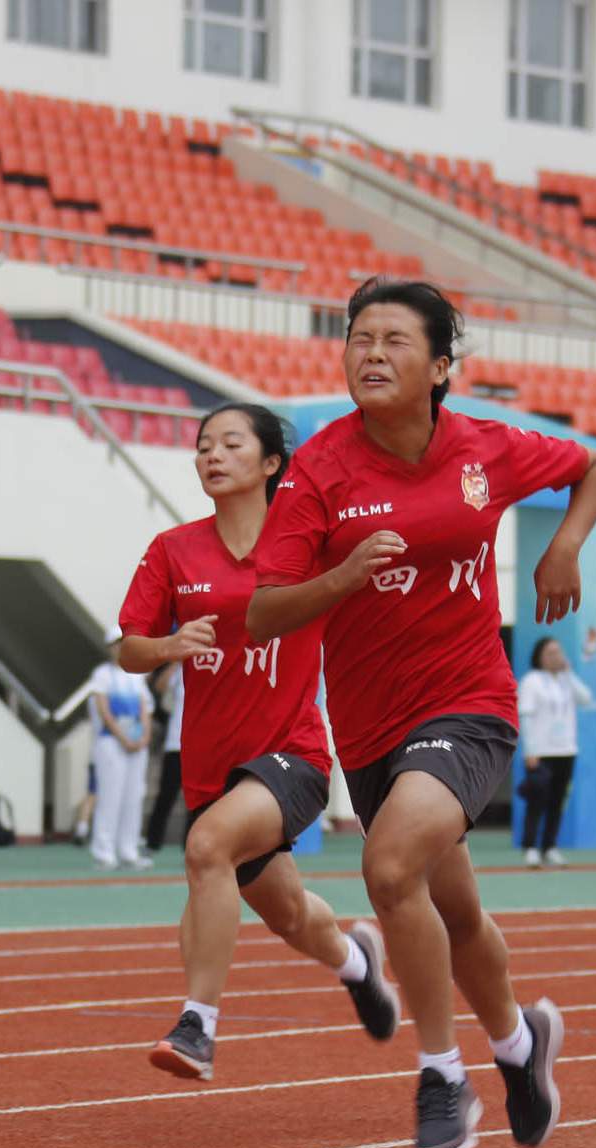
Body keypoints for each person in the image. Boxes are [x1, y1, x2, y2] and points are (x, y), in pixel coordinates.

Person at [249, 276, 596, 1148]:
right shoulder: (320, 471)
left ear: (441, 366)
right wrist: (341, 580)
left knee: (386, 865)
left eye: (393, 341)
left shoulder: (484, 450)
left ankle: (443, 1073)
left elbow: (594, 466)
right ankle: (522, 1046)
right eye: (358, 339)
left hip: (469, 703)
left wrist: (563, 545)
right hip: (371, 727)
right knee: (454, 913)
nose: (370, 354)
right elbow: (264, 610)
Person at [118, 402, 398, 1083]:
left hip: (292, 753)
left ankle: (197, 1026)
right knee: (293, 916)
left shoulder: (310, 547)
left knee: (206, 848)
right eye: (203, 445)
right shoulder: (173, 550)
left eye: (230, 444)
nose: (211, 455)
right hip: (214, 768)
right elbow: (128, 648)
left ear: (272, 463)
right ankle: (357, 961)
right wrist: (168, 645)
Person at [516, 635, 596, 868]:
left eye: (558, 652)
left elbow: (586, 698)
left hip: (566, 750)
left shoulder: (566, 680)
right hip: (541, 752)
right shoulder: (532, 681)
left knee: (557, 802)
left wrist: (569, 673)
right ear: (539, 656)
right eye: (550, 653)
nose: (555, 657)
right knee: (537, 800)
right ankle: (530, 847)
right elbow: (526, 717)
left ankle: (550, 847)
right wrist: (529, 751)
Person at [85, 627, 155, 871]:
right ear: (109, 648)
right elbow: (104, 710)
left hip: (137, 745)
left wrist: (144, 737)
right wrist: (122, 738)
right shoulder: (102, 675)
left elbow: (145, 709)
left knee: (133, 796)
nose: (119, 648)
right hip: (110, 743)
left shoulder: (137, 676)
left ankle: (128, 850)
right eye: (115, 644)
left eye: (123, 642)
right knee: (110, 795)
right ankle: (104, 852)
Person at [143, 663, 185, 853]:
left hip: (200, 744)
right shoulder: (179, 670)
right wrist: (177, 661)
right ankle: (153, 842)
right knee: (165, 795)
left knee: (199, 800)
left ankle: (190, 845)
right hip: (175, 744)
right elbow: (159, 686)